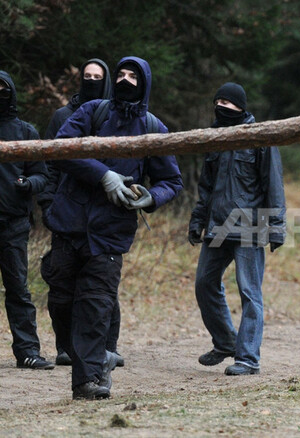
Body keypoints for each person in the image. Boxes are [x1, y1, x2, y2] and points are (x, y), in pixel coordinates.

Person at [45, 56, 183, 400]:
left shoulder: (154, 127)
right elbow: (61, 148)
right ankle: (96, 359)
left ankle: (88, 379)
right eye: (119, 74)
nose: (124, 80)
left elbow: (172, 180)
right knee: (62, 302)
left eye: (132, 76)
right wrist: (102, 174)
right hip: (68, 224)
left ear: (144, 83)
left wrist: (150, 197)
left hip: (110, 233)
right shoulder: (93, 111)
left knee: (94, 307)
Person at [188, 82, 286, 376]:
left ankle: (248, 358)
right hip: (217, 225)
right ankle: (225, 341)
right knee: (204, 284)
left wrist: (276, 228)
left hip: (250, 225)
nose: (222, 107)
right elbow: (206, 187)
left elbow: (274, 184)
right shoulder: (215, 138)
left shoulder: (260, 137)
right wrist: (197, 219)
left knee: (249, 292)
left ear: (241, 107)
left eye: (228, 103)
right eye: (218, 101)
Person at [39, 58, 119, 368]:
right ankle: (65, 346)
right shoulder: (62, 116)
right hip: (66, 210)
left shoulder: (115, 116)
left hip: (104, 210)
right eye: (87, 76)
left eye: (97, 77)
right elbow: (48, 161)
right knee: (62, 285)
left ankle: (106, 347)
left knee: (101, 284)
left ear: (106, 80)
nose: (91, 81)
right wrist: (48, 203)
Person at [0, 71, 54, 370]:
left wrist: (27, 184)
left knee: (18, 289)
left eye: (2, 88)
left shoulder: (25, 131)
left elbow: (42, 175)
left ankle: (28, 351)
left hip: (13, 223)